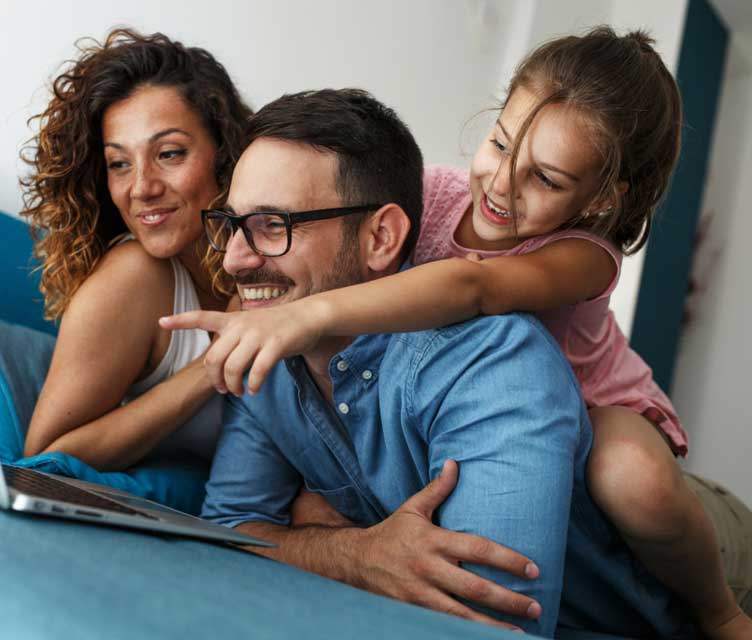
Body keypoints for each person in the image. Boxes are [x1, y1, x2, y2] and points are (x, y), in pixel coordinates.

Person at [163, 28, 750, 637]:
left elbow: (473, 289)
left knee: (632, 478)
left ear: (601, 200)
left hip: (608, 411)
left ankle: (722, 612)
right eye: (499, 144)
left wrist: (308, 314)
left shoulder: (582, 257)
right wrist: (340, 543)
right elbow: (232, 524)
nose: (500, 186)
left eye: (545, 179)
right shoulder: (436, 197)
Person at [19, 28, 251, 470]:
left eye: (169, 153)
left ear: (224, 153)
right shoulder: (134, 277)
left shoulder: (279, 251)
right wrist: (209, 367)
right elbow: (46, 456)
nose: (142, 187)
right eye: (119, 163)